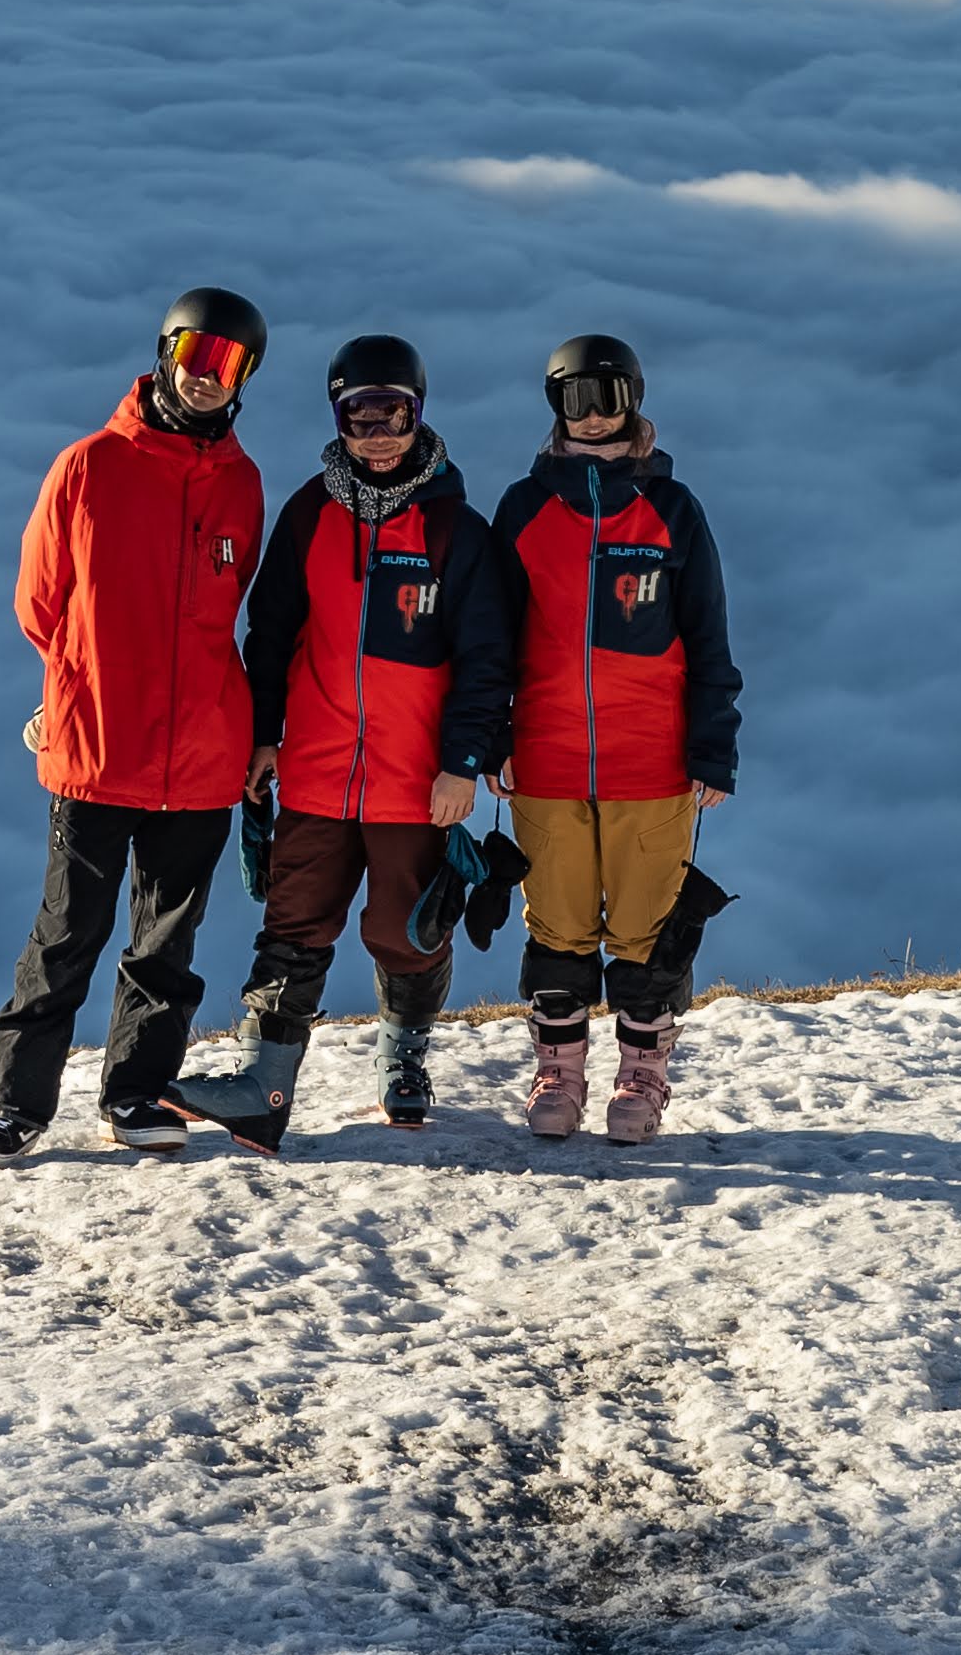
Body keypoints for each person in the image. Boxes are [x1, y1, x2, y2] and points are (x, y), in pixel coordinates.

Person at [165, 336, 512, 1154]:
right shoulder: (308, 514)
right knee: (294, 925)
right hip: (317, 770)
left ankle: (405, 1059)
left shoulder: (458, 530)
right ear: (339, 419)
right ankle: (263, 1086)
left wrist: (463, 762)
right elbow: (272, 634)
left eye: (394, 414)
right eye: (362, 416)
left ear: (419, 415)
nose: (379, 433)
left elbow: (488, 658)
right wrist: (262, 739)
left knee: (406, 931)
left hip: (414, 779)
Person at [0, 288, 271, 1162]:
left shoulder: (241, 484)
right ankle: (14, 1105)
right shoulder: (89, 466)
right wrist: (74, 690)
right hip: (97, 750)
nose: (210, 380)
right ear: (166, 354)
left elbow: (235, 605)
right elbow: (39, 604)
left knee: (166, 944)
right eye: (198, 359)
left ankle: (135, 1096)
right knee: (68, 934)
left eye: (232, 365)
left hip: (204, 755)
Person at [488, 333, 742, 1144]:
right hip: (545, 756)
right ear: (554, 409)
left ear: (633, 400)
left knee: (645, 932)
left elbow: (708, 636)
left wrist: (714, 748)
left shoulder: (671, 510)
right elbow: (490, 639)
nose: (592, 418)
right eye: (574, 401)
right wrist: (491, 735)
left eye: (606, 399)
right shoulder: (524, 510)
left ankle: (643, 1078)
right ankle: (558, 1073)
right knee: (557, 926)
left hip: (653, 759)